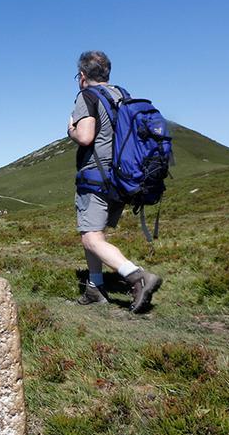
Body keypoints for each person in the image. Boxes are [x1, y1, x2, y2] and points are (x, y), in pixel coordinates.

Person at [67, 51, 163, 313]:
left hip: (95, 176)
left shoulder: (86, 96)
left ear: (83, 76)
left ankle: (136, 275)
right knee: (96, 234)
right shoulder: (122, 95)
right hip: (122, 175)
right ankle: (95, 287)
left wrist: (71, 130)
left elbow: (86, 137)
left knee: (91, 238)